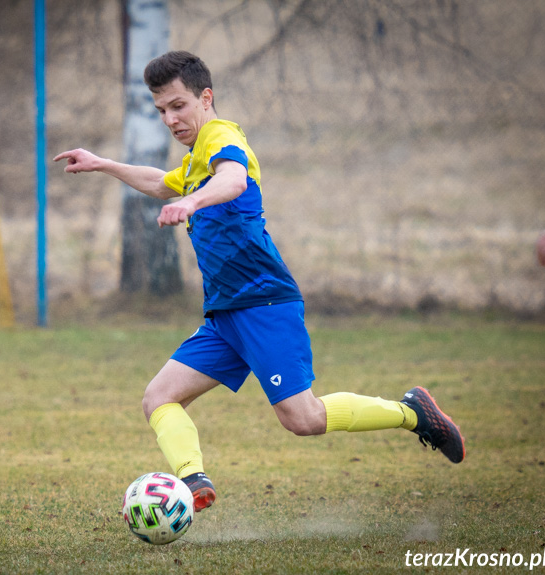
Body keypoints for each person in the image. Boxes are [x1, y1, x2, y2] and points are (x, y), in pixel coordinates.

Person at [54, 51, 465, 512]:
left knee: (303, 418)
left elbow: (232, 179)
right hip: (225, 314)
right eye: (161, 111)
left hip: (263, 303)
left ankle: (413, 413)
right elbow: (159, 182)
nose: (170, 119)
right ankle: (192, 482)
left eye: (178, 106)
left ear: (205, 98)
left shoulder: (221, 137)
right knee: (159, 397)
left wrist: (191, 205)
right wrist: (103, 163)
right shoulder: (195, 161)